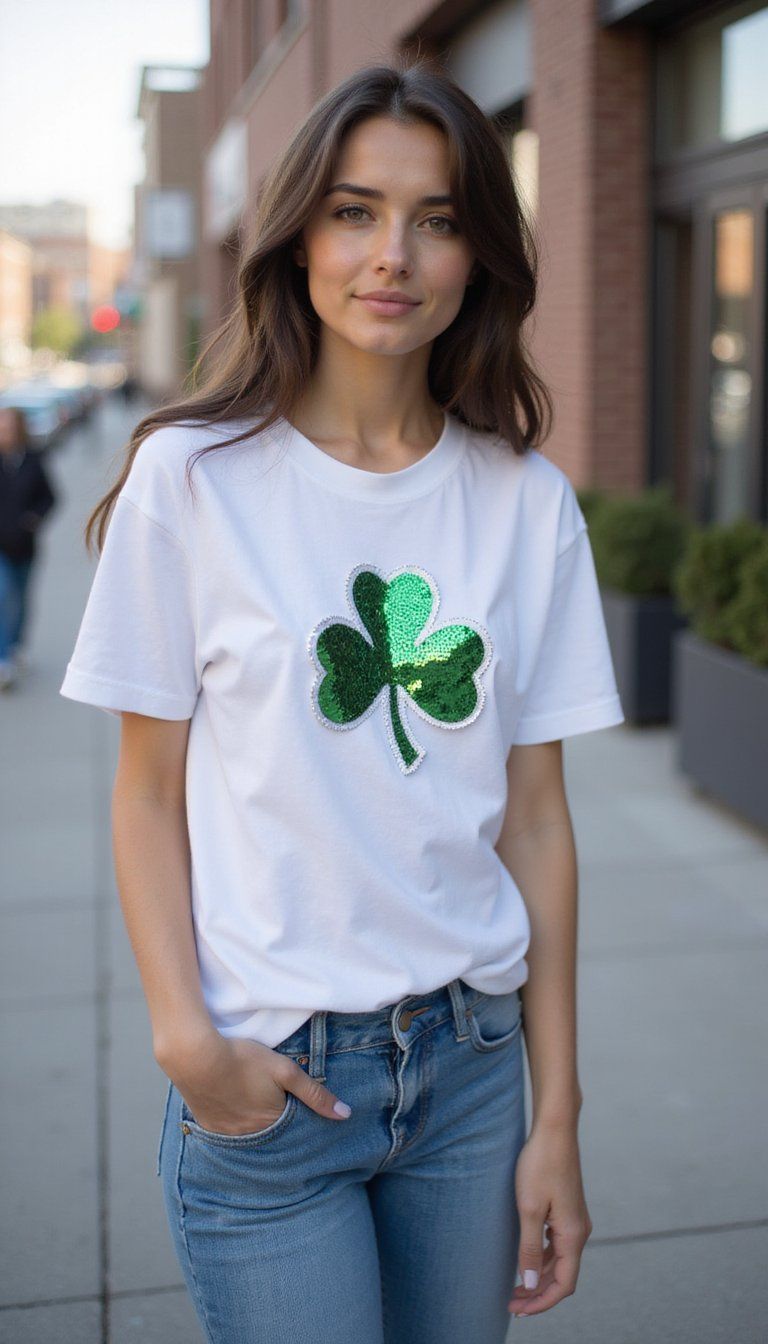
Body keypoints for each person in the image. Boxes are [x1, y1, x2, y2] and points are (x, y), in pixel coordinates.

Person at [59, 58, 625, 1344]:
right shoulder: (192, 483)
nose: (394, 255)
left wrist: (557, 1118)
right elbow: (146, 794)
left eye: (436, 219)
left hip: (474, 1079)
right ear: (299, 234)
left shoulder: (524, 502)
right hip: (272, 1083)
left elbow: (536, 823)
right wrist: (184, 1045)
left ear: (479, 254)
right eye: (355, 211)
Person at [0, 405, 57, 689]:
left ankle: (16, 646)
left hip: (25, 545)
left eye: (9, 427)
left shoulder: (32, 460)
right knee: (4, 595)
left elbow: (50, 496)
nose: (5, 433)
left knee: (20, 598)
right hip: (1, 546)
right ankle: (3, 660)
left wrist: (34, 518)